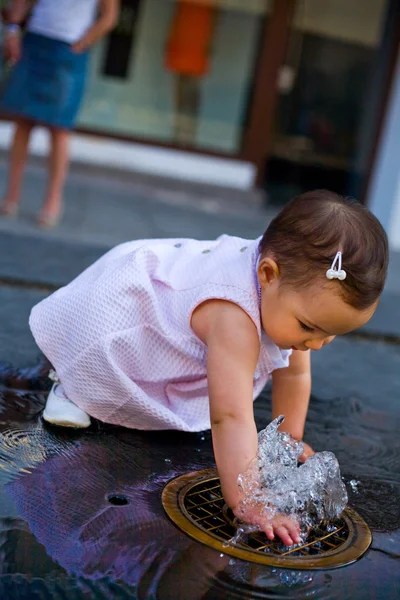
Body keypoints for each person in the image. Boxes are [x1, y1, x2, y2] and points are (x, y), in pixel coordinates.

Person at [29, 190, 389, 545]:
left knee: (225, 374)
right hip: (122, 310)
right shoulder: (233, 315)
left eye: (332, 334)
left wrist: (288, 439)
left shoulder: (293, 291)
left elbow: (295, 372)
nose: (316, 343)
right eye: (310, 328)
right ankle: (71, 384)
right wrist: (248, 501)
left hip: (177, 305)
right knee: (106, 368)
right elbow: (229, 416)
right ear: (267, 274)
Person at [0, 0, 119, 227]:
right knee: (23, 122)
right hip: (36, 41)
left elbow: (109, 17)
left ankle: (53, 201)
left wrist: (83, 42)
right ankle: (11, 196)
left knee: (60, 128)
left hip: (69, 48)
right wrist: (13, 31)